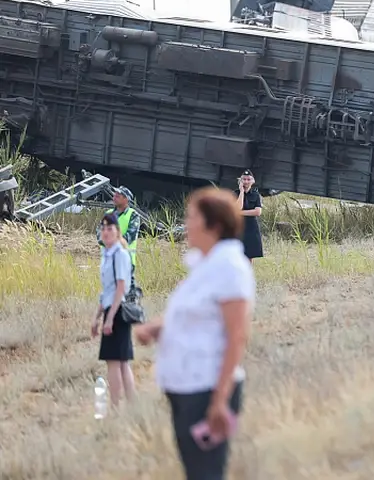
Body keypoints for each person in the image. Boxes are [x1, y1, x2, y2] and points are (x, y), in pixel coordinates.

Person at [135, 187, 255, 480]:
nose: (186, 224)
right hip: (186, 388)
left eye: (192, 218)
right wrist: (158, 327)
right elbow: (200, 315)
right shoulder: (206, 265)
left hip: (207, 390)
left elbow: (237, 335)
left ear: (213, 225)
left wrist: (219, 401)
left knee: (206, 474)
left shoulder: (230, 268)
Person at [92, 213, 137, 409]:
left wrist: (109, 319)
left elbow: (120, 288)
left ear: (117, 232)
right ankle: (132, 408)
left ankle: (115, 407)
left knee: (115, 363)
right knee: (121, 362)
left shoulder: (119, 254)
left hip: (118, 311)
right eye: (103, 228)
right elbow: (107, 291)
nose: (106, 232)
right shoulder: (107, 254)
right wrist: (96, 317)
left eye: (110, 229)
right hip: (112, 309)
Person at [97, 186, 141, 283]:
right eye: (115, 195)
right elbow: (99, 233)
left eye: (118, 195)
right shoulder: (108, 214)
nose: (114, 197)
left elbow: (130, 236)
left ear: (126, 199)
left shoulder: (133, 215)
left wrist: (109, 241)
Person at [235, 170, 263, 262]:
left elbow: (258, 212)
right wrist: (241, 192)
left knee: (249, 254)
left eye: (248, 179)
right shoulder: (235, 193)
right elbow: (238, 208)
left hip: (251, 227)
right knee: (237, 254)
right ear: (240, 181)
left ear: (252, 181)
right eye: (244, 179)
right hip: (238, 227)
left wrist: (241, 213)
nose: (246, 182)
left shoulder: (256, 195)